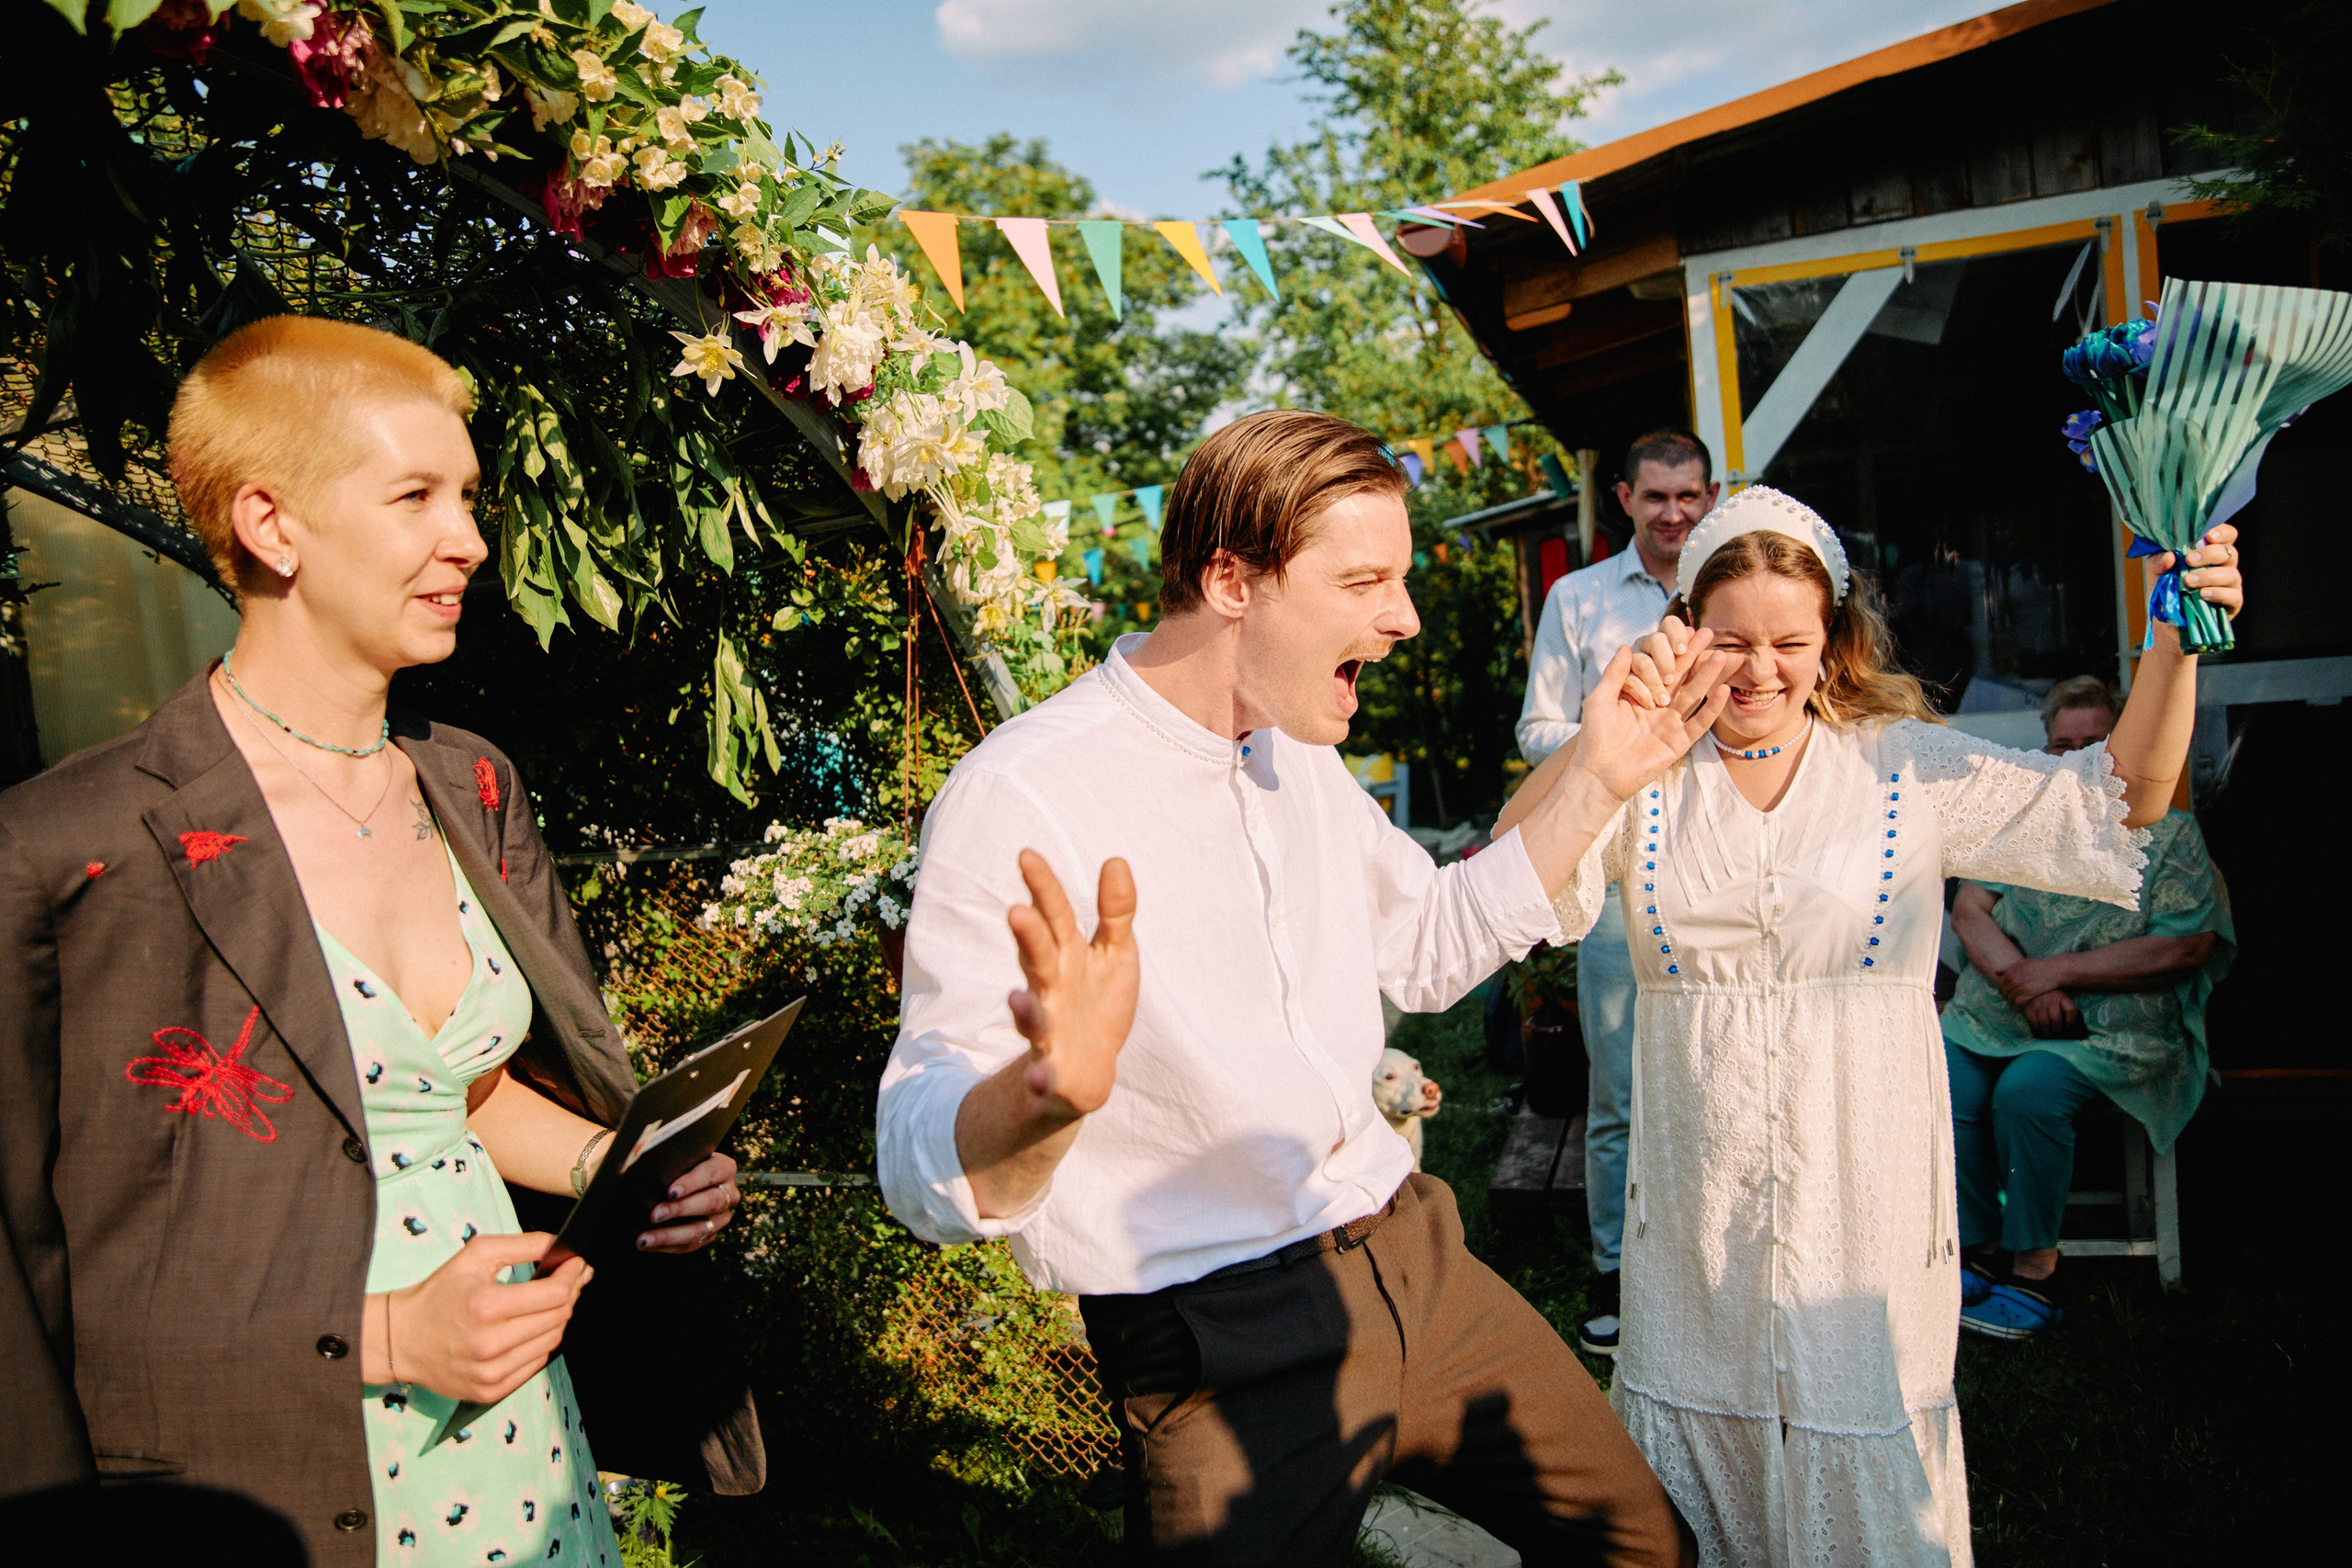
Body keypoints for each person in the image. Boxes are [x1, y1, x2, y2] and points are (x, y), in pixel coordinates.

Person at [880, 411, 1699, 1564]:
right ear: (1230, 579)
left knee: (1645, 1552)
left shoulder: (1298, 754)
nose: (1404, 617)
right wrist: (1043, 1097)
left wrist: (1598, 776)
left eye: (1399, 579)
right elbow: (912, 1153)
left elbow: (1427, 941)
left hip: (1420, 1264)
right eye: (1363, 580)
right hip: (1219, 1342)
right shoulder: (1021, 795)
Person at [0, 317, 754, 1564]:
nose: (468, 537)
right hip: (281, 1477)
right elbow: (41, 1272)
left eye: (466, 496)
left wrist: (624, 1163)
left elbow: (454, 1088)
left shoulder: (471, 784)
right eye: (415, 495)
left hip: (528, 1456)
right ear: (271, 522)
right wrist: (393, 1335)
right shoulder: (73, 847)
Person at [1495, 486, 2242, 1566]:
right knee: (1694, 1485)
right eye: (1728, 639)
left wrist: (2174, 641)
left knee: (1862, 1460)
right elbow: (1510, 876)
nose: (1758, 670)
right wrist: (1604, 739)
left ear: (1832, 637)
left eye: (1789, 641)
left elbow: (2121, 800)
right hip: (1697, 1216)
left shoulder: (1905, 765)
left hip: (1863, 1198)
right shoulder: (1640, 777)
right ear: (1682, 631)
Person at [1941, 675, 2234, 1340]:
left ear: (2122, 746)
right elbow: (1969, 909)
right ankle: (1977, 1244)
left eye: (2095, 744)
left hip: (2115, 1028)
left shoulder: (2171, 835)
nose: (2077, 760)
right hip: (2005, 1012)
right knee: (1944, 1075)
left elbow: (2186, 945)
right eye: (2061, 745)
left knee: (2028, 1091)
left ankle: (2036, 1264)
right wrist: (2026, 983)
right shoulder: (2022, 827)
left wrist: (2054, 976)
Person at [1515, 430, 1719, 1357]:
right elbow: (1535, 732)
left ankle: (1708, 1269)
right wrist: (1626, 711)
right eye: (1656, 498)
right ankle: (1616, 1275)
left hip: (1721, 862)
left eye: (1689, 497)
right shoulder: (1579, 599)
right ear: (1626, 498)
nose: (1673, 515)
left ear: (1711, 496)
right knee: (1621, 1089)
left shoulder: (1733, 593)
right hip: (1614, 867)